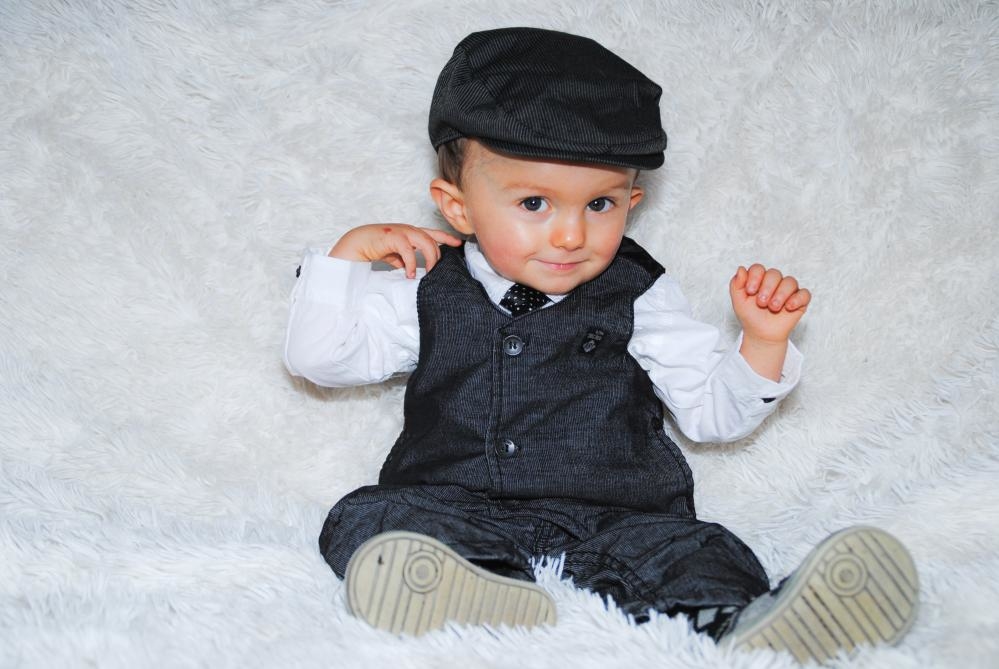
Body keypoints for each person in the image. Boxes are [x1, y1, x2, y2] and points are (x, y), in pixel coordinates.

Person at [284, 27, 918, 664]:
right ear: (459, 208)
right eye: (535, 202)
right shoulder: (426, 286)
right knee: (368, 515)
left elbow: (711, 415)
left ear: (632, 202)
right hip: (454, 505)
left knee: (697, 550)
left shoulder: (639, 293)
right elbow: (320, 361)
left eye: (599, 204)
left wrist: (762, 342)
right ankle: (472, 588)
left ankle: (750, 621)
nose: (570, 234)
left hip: (620, 513)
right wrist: (347, 257)